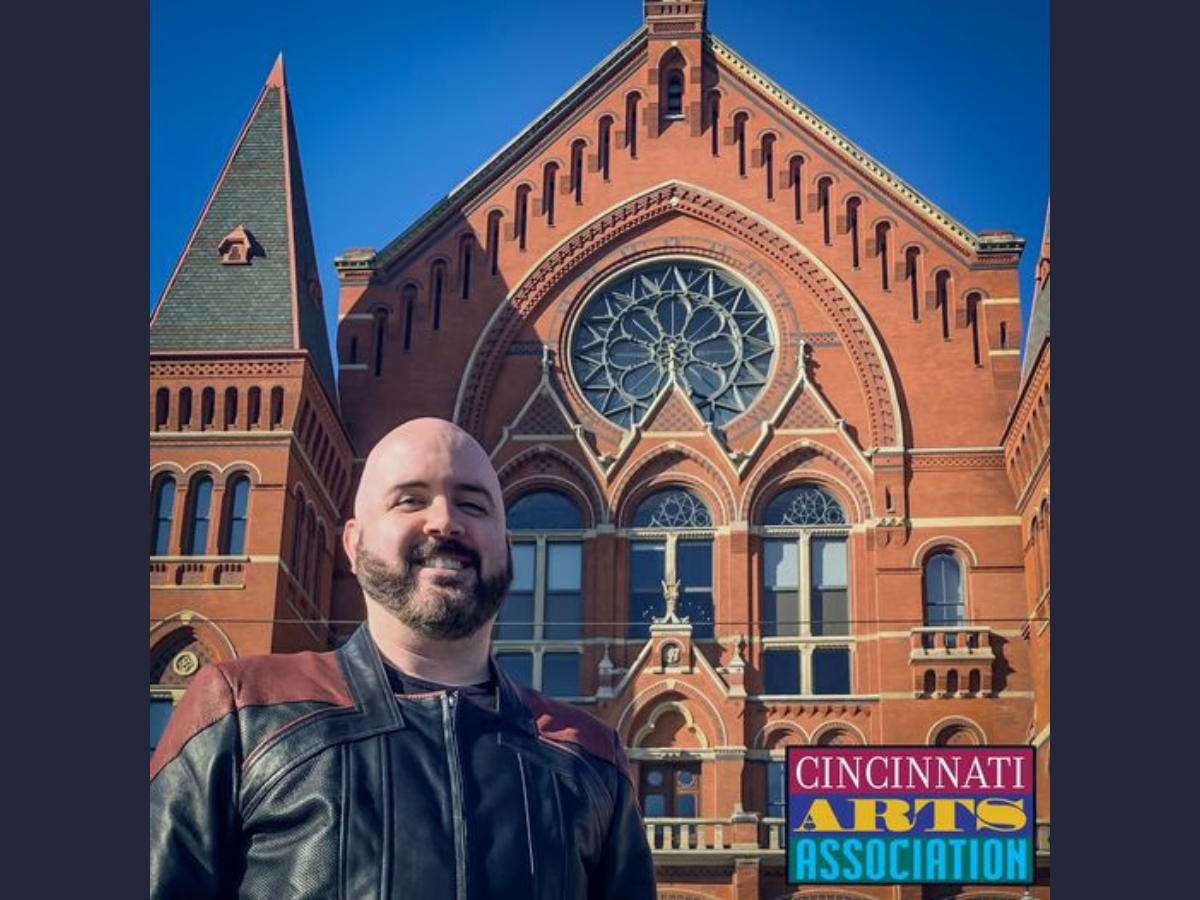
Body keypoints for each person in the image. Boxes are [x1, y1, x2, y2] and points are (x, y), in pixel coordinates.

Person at [150, 418, 657, 899]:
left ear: (507, 547)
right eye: (410, 499)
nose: (445, 522)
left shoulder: (590, 760)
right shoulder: (243, 713)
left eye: (473, 505)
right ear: (354, 542)